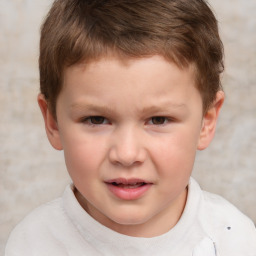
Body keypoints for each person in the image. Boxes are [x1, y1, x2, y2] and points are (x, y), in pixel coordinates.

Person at [5, 0, 256, 255]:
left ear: (207, 121)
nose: (126, 154)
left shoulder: (236, 241)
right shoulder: (32, 245)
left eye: (158, 120)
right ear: (53, 122)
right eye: (96, 119)